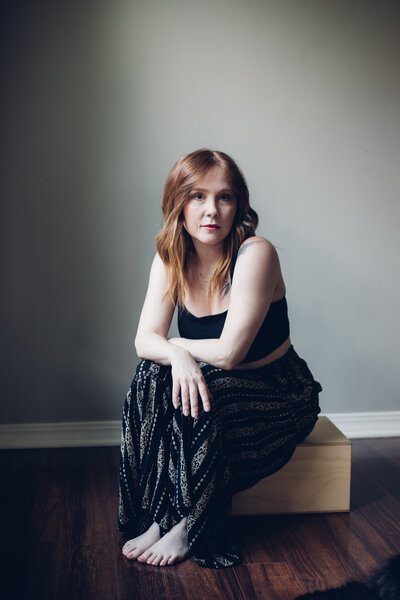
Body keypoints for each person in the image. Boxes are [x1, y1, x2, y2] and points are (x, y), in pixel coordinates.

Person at [118, 149, 322, 569]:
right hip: (214, 385)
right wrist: (174, 355)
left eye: (224, 197)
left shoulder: (256, 254)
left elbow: (229, 353)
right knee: (149, 376)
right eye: (197, 196)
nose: (211, 210)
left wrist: (175, 349)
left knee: (202, 389)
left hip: (278, 393)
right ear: (178, 204)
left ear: (238, 205)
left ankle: (189, 525)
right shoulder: (170, 258)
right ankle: (160, 514)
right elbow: (144, 342)